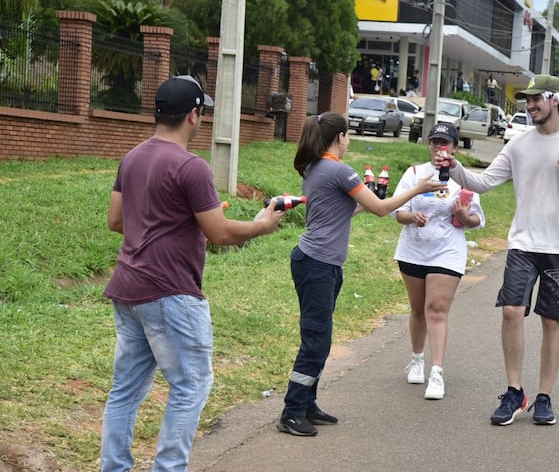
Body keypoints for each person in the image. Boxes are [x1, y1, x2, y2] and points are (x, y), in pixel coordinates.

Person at [100, 75, 286, 472]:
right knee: (190, 386)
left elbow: (117, 221)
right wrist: (262, 225)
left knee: (125, 391)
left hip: (128, 287)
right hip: (171, 293)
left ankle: (113, 467)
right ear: (193, 115)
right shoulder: (191, 166)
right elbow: (219, 232)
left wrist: (173, 224)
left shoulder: (132, 157)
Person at [444, 75, 559, 426]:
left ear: (555, 100)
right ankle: (514, 391)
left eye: (537, 99)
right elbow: (485, 182)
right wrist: (456, 168)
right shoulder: (518, 145)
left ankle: (544, 397)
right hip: (523, 242)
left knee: (553, 321)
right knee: (511, 311)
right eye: (527, 100)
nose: (530, 105)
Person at [278, 112, 444, 437]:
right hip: (318, 265)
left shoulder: (316, 167)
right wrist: (418, 189)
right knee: (316, 340)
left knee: (319, 338)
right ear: (340, 137)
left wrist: (363, 201)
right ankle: (292, 410)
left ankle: (307, 403)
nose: (349, 140)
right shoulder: (339, 170)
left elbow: (342, 208)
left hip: (317, 262)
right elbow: (383, 210)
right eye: (348, 135)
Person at [395, 123, 486, 401]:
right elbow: (398, 211)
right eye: (435, 142)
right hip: (413, 249)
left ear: (455, 148)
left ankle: (437, 373)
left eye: (445, 143)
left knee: (436, 308)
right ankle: (417, 358)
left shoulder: (462, 178)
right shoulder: (414, 173)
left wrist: (463, 213)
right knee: (418, 309)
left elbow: (476, 221)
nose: (439, 148)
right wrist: (412, 217)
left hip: (447, 251)